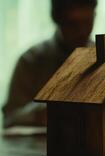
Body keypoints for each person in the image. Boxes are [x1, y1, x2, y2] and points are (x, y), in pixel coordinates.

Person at [2, 0, 97, 128]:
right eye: (73, 24)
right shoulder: (31, 61)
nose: (82, 31)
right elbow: (10, 118)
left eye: (88, 23)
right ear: (57, 19)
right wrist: (40, 113)